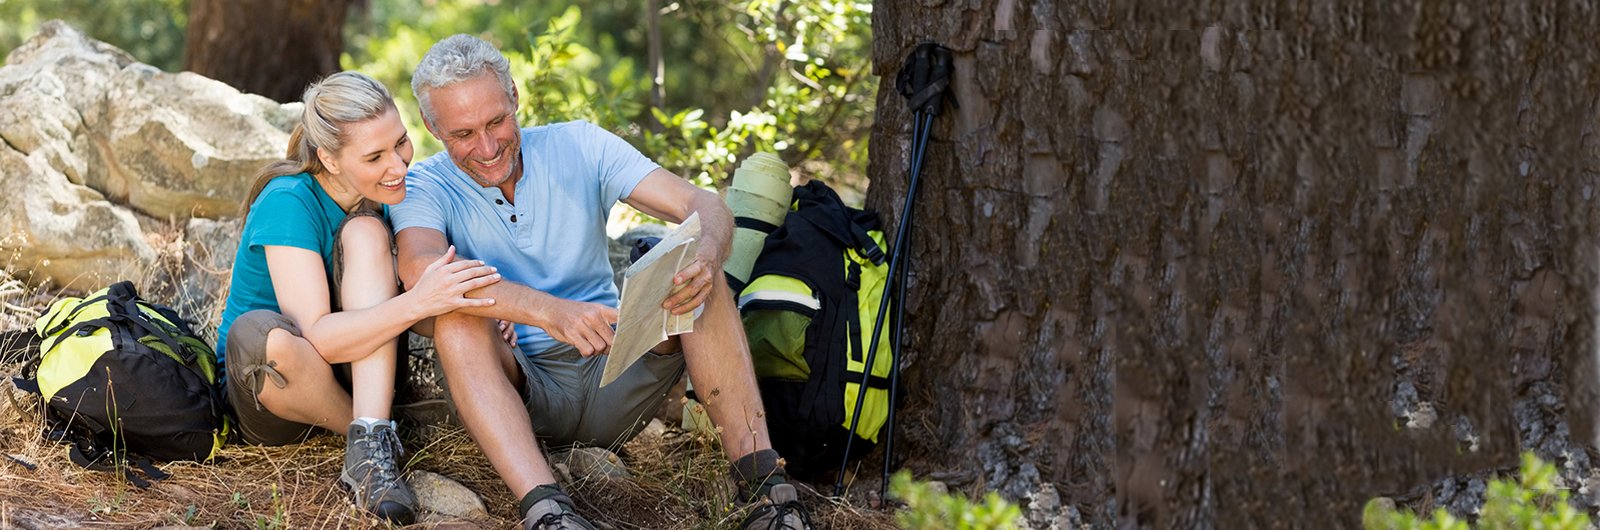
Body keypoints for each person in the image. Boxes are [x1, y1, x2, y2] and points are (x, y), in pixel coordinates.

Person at [392, 35, 814, 530]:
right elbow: (421, 270)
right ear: (431, 126)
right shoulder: (422, 186)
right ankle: (548, 512)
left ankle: (767, 492)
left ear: (515, 98)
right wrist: (547, 310)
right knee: (455, 319)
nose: (487, 148)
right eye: (462, 134)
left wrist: (705, 252)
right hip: (519, 392)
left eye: (496, 122)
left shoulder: (579, 144)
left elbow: (703, 205)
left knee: (699, 278)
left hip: (615, 371)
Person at [215, 71, 503, 524]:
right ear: (329, 159)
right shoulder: (288, 200)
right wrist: (420, 302)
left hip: (363, 372)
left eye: (401, 143)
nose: (399, 165)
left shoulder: (387, 195)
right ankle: (379, 431)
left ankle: (370, 442)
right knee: (262, 340)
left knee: (367, 232)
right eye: (375, 156)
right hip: (280, 388)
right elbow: (322, 340)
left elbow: (414, 314)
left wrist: (465, 308)